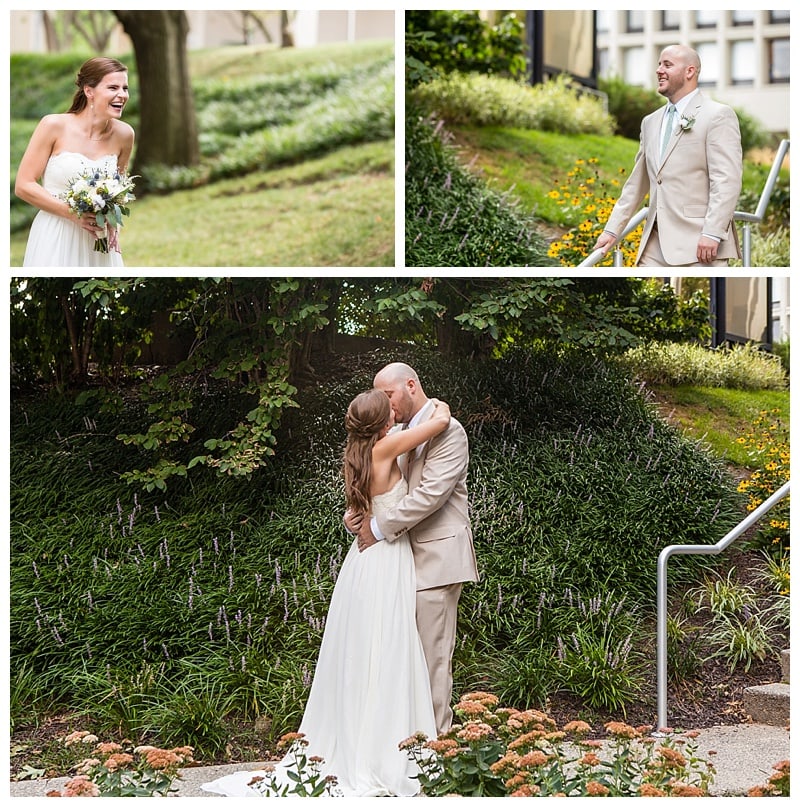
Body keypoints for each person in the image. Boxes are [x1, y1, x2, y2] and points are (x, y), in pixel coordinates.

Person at [202, 388, 450, 798]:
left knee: (361, 652)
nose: (395, 408)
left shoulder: (356, 453)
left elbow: (361, 507)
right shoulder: (386, 448)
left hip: (361, 562)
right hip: (385, 557)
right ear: (384, 423)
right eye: (389, 408)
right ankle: (383, 752)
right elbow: (438, 422)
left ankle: (359, 741)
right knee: (387, 649)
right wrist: (437, 404)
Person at [347, 362, 479, 738]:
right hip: (396, 563)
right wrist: (356, 514)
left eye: (388, 396)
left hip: (435, 562)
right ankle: (401, 747)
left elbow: (430, 496)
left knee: (431, 660)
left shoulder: (449, 431)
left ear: (410, 385)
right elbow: (375, 483)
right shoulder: (396, 432)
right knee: (398, 660)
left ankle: (435, 753)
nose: (385, 405)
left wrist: (376, 526)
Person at [592, 44, 742, 267]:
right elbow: (636, 183)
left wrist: (712, 233)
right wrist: (612, 229)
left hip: (700, 245)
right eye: (659, 64)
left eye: (667, 65)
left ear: (689, 71)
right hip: (654, 244)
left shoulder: (717, 115)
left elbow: (726, 180)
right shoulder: (650, 122)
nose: (659, 70)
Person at [15, 56, 135, 267]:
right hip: (56, 233)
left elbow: (118, 191)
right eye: (113, 87)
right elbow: (24, 185)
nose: (122, 95)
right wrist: (71, 214)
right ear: (89, 91)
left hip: (98, 240)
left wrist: (113, 223)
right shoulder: (53, 125)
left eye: (124, 88)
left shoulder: (125, 135)